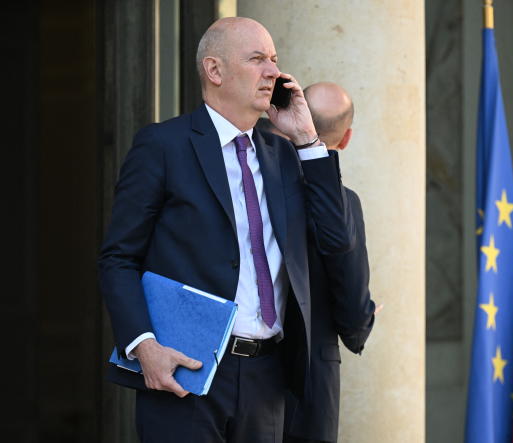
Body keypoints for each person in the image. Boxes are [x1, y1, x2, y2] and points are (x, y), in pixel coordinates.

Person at [98, 18, 355, 443]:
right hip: (185, 371)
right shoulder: (162, 146)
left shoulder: (286, 156)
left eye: (274, 60)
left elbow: (336, 240)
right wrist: (143, 346)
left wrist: (309, 141)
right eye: (257, 60)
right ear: (214, 71)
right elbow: (118, 258)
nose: (274, 72)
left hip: (268, 378)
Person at [283, 82, 377, 443]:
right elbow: (352, 298)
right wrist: (362, 321)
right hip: (311, 382)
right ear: (347, 138)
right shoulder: (344, 203)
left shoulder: (258, 182)